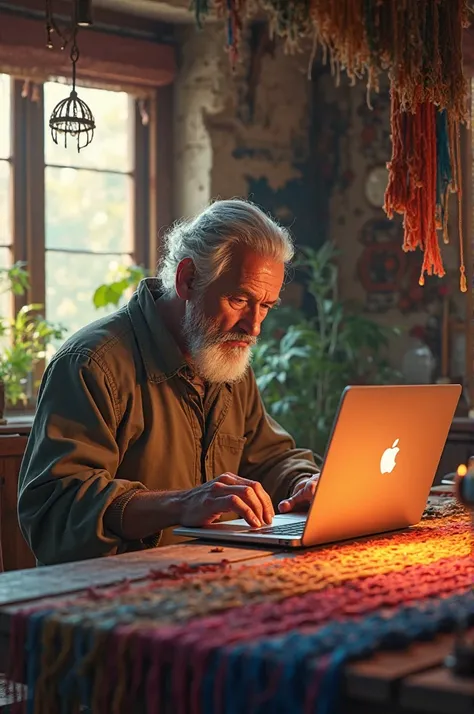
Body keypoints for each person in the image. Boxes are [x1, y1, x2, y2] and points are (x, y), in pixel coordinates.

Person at [18, 199, 320, 566]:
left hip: (212, 581)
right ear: (187, 279)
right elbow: (55, 513)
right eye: (239, 299)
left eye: (266, 306)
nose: (254, 327)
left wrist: (304, 483)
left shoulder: (225, 359)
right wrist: (181, 504)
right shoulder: (91, 363)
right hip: (108, 594)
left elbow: (268, 457)